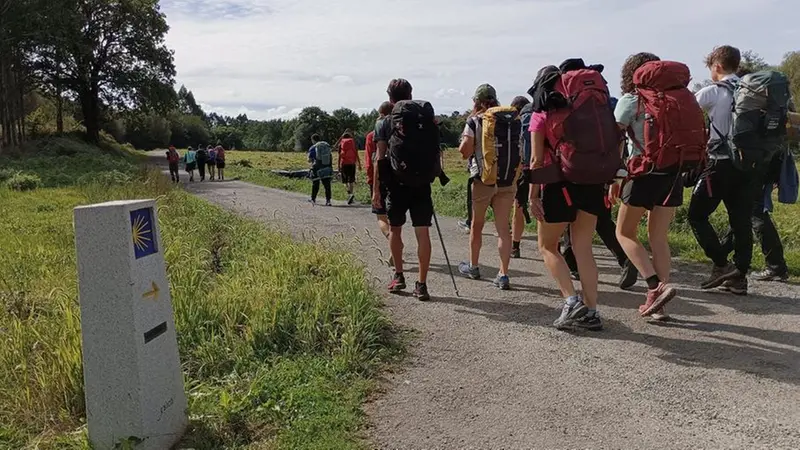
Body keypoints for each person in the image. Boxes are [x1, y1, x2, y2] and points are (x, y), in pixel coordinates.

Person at [611, 53, 705, 320]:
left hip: (643, 173)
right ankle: (659, 306)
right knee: (658, 237)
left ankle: (655, 286)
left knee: (624, 233)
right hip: (674, 172)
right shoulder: (680, 99)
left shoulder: (632, 100)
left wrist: (614, 177)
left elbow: (613, 138)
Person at [528, 63, 617, 331]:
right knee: (583, 247)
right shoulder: (591, 108)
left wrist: (532, 196)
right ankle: (592, 311)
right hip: (592, 181)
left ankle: (570, 300)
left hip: (558, 184)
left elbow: (535, 159)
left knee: (547, 246)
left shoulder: (543, 112)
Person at [686, 45, 756, 295]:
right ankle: (739, 277)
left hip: (719, 163)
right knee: (740, 220)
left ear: (716, 66)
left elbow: (686, 116)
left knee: (696, 215)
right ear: (736, 64)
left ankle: (721, 264)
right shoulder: (754, 91)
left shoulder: (712, 92)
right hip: (749, 165)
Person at [559, 95, 638, 289]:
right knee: (602, 221)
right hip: (605, 176)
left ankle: (574, 263)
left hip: (581, 176)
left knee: (579, 221)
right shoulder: (608, 114)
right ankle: (623, 259)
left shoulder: (580, 116)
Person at [373, 78, 439, 301]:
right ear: (411, 94)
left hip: (396, 184)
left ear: (390, 98)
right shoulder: (426, 119)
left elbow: (380, 158)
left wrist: (377, 190)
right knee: (423, 232)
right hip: (422, 183)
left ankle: (399, 276)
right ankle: (422, 284)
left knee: (395, 229)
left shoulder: (385, 123)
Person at [457, 84, 520, 290]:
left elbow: (465, 151)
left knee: (477, 224)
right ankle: (503, 274)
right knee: (503, 229)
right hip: (507, 180)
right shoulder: (511, 121)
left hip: (483, 180)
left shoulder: (475, 121)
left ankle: (474, 266)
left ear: (478, 101)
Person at [367, 101, 395, 265]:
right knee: (395, 219)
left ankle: (393, 241)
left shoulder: (373, 135)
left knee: (380, 215)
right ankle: (396, 245)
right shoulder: (401, 129)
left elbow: (372, 160)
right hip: (398, 178)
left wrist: (372, 183)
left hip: (380, 177)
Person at [511, 95, 532, 259]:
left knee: (518, 207)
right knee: (545, 209)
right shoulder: (541, 115)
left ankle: (515, 247)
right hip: (545, 168)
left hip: (524, 169)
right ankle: (555, 247)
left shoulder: (518, 121)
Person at [308, 134, 333, 206]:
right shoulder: (326, 146)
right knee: (327, 185)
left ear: (313, 140)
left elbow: (309, 160)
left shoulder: (313, 147)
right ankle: (328, 200)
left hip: (317, 167)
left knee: (315, 183)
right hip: (326, 167)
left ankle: (313, 199)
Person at [338, 131, 362, 205]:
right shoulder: (353, 143)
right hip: (352, 164)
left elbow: (339, 156)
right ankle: (351, 194)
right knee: (351, 180)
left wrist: (338, 165)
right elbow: (356, 154)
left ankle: (349, 193)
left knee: (344, 181)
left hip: (344, 164)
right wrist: (359, 164)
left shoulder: (341, 144)